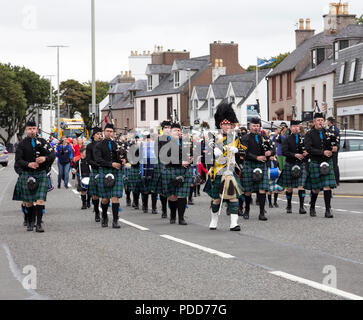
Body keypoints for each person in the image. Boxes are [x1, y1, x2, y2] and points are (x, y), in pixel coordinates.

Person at [204, 103, 246, 231]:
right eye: (224, 124)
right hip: (217, 171)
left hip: (230, 170)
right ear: (220, 125)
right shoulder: (214, 136)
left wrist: (237, 150)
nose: (227, 126)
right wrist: (213, 149)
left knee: (233, 198)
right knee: (216, 199)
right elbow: (207, 145)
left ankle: (234, 223)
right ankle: (214, 220)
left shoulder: (235, 137)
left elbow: (244, 151)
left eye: (228, 124)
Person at [12, 120, 55, 232]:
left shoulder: (43, 142)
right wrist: (28, 164)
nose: (32, 131)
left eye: (34, 128)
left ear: (37, 129)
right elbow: (18, 161)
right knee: (29, 201)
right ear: (26, 130)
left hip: (41, 173)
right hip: (27, 173)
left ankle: (39, 224)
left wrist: (45, 158)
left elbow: (52, 154)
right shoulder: (21, 144)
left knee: (40, 200)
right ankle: (30, 221)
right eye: (30, 129)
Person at [240, 118, 275, 221]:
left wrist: (270, 153)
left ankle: (261, 212)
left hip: (261, 165)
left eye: (257, 126)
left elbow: (273, 148)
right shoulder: (245, 138)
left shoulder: (263, 137)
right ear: (250, 126)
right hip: (249, 164)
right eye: (254, 126)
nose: (256, 128)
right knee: (247, 190)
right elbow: (244, 153)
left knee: (262, 189)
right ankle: (246, 210)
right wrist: (256, 157)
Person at [304, 113, 337, 218]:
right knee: (316, 189)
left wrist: (335, 148)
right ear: (314, 122)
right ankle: (312, 206)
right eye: (318, 120)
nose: (320, 122)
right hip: (315, 162)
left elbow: (334, 144)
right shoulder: (309, 134)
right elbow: (308, 149)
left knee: (327, 186)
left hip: (327, 162)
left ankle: (328, 210)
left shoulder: (328, 132)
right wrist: (322, 152)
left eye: (322, 120)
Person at [161, 123, 193, 225]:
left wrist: (191, 159)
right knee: (172, 196)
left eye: (179, 130)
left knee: (182, 195)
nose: (178, 132)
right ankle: (173, 215)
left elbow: (191, 154)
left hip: (184, 171)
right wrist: (180, 162)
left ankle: (181, 218)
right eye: (175, 130)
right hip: (171, 170)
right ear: (170, 132)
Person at [94, 123, 125, 228]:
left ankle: (115, 220)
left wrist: (124, 160)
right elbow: (98, 160)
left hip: (116, 172)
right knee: (105, 199)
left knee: (115, 197)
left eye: (111, 131)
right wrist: (111, 164)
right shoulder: (99, 145)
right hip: (104, 171)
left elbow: (122, 157)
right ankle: (104, 216)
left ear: (113, 133)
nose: (109, 133)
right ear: (104, 132)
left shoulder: (118, 144)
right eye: (107, 131)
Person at [277, 120, 309, 214]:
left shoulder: (303, 138)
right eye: (294, 126)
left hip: (301, 164)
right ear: (291, 128)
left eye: (297, 126)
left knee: (301, 186)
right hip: (290, 164)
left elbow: (307, 150)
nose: (296, 128)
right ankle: (289, 205)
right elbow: (284, 152)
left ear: (299, 128)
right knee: (289, 187)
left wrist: (306, 153)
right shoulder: (287, 139)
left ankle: (301, 207)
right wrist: (295, 155)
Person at [150, 121, 172, 219]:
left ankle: (172, 211)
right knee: (162, 189)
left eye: (169, 127)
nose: (168, 129)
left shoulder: (174, 139)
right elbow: (157, 152)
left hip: (173, 165)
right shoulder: (158, 140)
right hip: (162, 164)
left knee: (171, 189)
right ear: (162, 129)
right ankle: (163, 209)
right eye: (166, 127)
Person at [86, 127, 103, 222]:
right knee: (95, 195)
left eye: (101, 134)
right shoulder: (89, 146)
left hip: (104, 171)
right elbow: (88, 160)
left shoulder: (103, 145)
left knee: (104, 195)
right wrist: (98, 164)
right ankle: (97, 212)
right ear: (93, 135)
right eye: (97, 134)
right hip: (95, 170)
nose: (99, 135)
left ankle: (104, 212)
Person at [326, 117, 340, 186]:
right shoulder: (335, 128)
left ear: (330, 122)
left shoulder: (332, 129)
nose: (326, 123)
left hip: (333, 148)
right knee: (334, 165)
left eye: (327, 121)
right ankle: (336, 181)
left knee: (334, 165)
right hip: (334, 148)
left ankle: (336, 181)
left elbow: (333, 140)